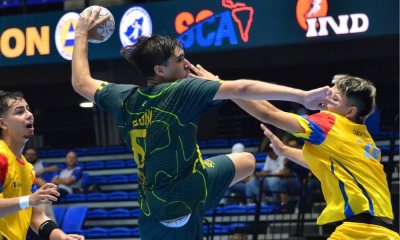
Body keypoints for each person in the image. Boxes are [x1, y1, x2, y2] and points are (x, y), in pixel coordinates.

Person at [71, 7, 341, 240]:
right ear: (160, 71)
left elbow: (81, 82)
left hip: (151, 207)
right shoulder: (180, 91)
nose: (187, 64)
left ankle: (202, 185)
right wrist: (303, 96)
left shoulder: (124, 97)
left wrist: (81, 33)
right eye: (179, 60)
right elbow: (243, 88)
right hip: (185, 198)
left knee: (246, 161)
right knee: (244, 162)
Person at [235, 75, 399, 239]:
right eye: (328, 93)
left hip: (359, 230)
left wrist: (227, 90)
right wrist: (285, 150)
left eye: (334, 98)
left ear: (350, 111)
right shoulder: (363, 138)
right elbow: (323, 164)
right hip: (385, 231)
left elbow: (269, 113)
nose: (326, 99)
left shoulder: (330, 122)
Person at [0, 91, 84, 240]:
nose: (29, 114)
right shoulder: (1, 157)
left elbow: (37, 218)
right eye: (20, 112)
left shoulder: (28, 169)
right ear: (2, 123)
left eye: (28, 109)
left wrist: (62, 237)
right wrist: (29, 200)